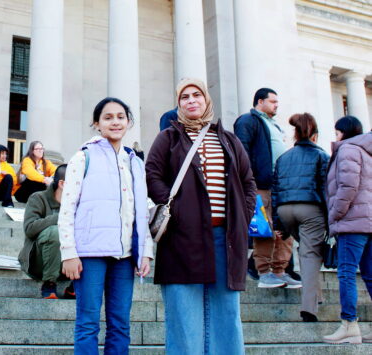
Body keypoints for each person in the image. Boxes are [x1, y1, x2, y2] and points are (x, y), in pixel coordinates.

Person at [146, 78, 256, 355]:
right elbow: (152, 174)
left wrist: (241, 217)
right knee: (183, 312)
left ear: (207, 100)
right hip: (182, 237)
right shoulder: (168, 137)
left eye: (197, 95)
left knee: (226, 311)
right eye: (185, 97)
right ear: (179, 103)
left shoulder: (228, 139)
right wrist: (178, 211)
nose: (191, 100)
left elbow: (247, 182)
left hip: (225, 238)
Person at [59, 97, 153, 354]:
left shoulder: (135, 161)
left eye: (120, 117)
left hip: (124, 255)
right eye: (108, 117)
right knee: (88, 323)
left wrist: (145, 250)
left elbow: (141, 210)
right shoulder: (83, 157)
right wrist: (68, 251)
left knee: (120, 324)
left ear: (129, 122)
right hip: (90, 254)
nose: (115, 122)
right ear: (97, 124)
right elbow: (67, 207)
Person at [234, 88, 301, 289]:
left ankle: (280, 270)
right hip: (260, 184)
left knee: (285, 229)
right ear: (260, 102)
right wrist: (249, 180)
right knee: (264, 229)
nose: (276, 105)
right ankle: (264, 271)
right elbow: (242, 151)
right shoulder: (248, 121)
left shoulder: (275, 125)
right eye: (272, 101)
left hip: (279, 185)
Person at [272, 113, 329, 322]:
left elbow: (275, 190)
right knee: (310, 254)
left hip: (285, 211)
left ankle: (317, 295)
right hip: (310, 209)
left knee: (306, 249)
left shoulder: (283, 158)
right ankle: (309, 308)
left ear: (295, 133)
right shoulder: (321, 156)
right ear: (314, 135)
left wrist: (278, 224)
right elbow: (326, 190)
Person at [323, 131, 372, 344]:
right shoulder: (368, 152)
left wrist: (334, 214)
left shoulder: (348, 149)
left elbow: (348, 186)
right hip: (368, 221)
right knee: (369, 275)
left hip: (352, 222)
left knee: (346, 273)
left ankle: (349, 325)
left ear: (343, 132)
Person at [18, 165, 74, 299]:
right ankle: (49, 284)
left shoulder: (79, 204)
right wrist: (60, 217)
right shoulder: (38, 198)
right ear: (62, 184)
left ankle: (75, 286)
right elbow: (29, 229)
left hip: (68, 264)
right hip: (38, 262)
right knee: (55, 232)